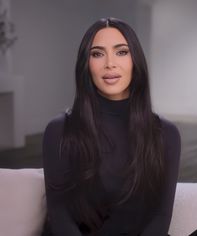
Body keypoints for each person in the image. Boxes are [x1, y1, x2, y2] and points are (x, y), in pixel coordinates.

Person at [42, 17, 181, 236]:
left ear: (135, 60)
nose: (110, 63)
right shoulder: (59, 130)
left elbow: (161, 216)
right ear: (86, 64)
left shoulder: (166, 134)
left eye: (121, 52)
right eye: (97, 54)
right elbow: (59, 214)